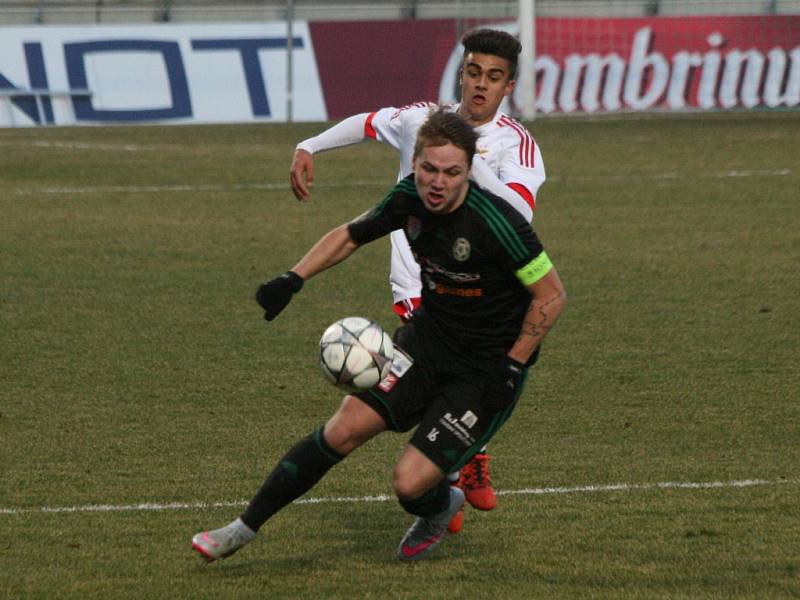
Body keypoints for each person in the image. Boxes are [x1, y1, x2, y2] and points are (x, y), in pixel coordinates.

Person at [192, 110, 565, 564]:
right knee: (343, 429)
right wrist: (293, 278)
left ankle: (440, 507)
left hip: (486, 368)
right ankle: (242, 528)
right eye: (428, 168)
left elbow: (550, 295)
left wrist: (513, 364)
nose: (437, 182)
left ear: (469, 171)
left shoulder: (498, 223)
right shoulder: (409, 197)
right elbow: (351, 235)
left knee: (409, 483)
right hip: (427, 343)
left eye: (451, 173)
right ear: (416, 162)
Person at [289, 28, 546, 525]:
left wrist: (468, 163)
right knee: (431, 379)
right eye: (473, 72)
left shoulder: (518, 146)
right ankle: (456, 466)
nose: (480, 85)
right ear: (462, 71)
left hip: (478, 291)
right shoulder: (420, 120)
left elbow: (518, 215)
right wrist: (309, 145)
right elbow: (367, 123)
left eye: (493, 78)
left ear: (508, 86)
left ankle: (456, 464)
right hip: (416, 284)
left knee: (452, 380)